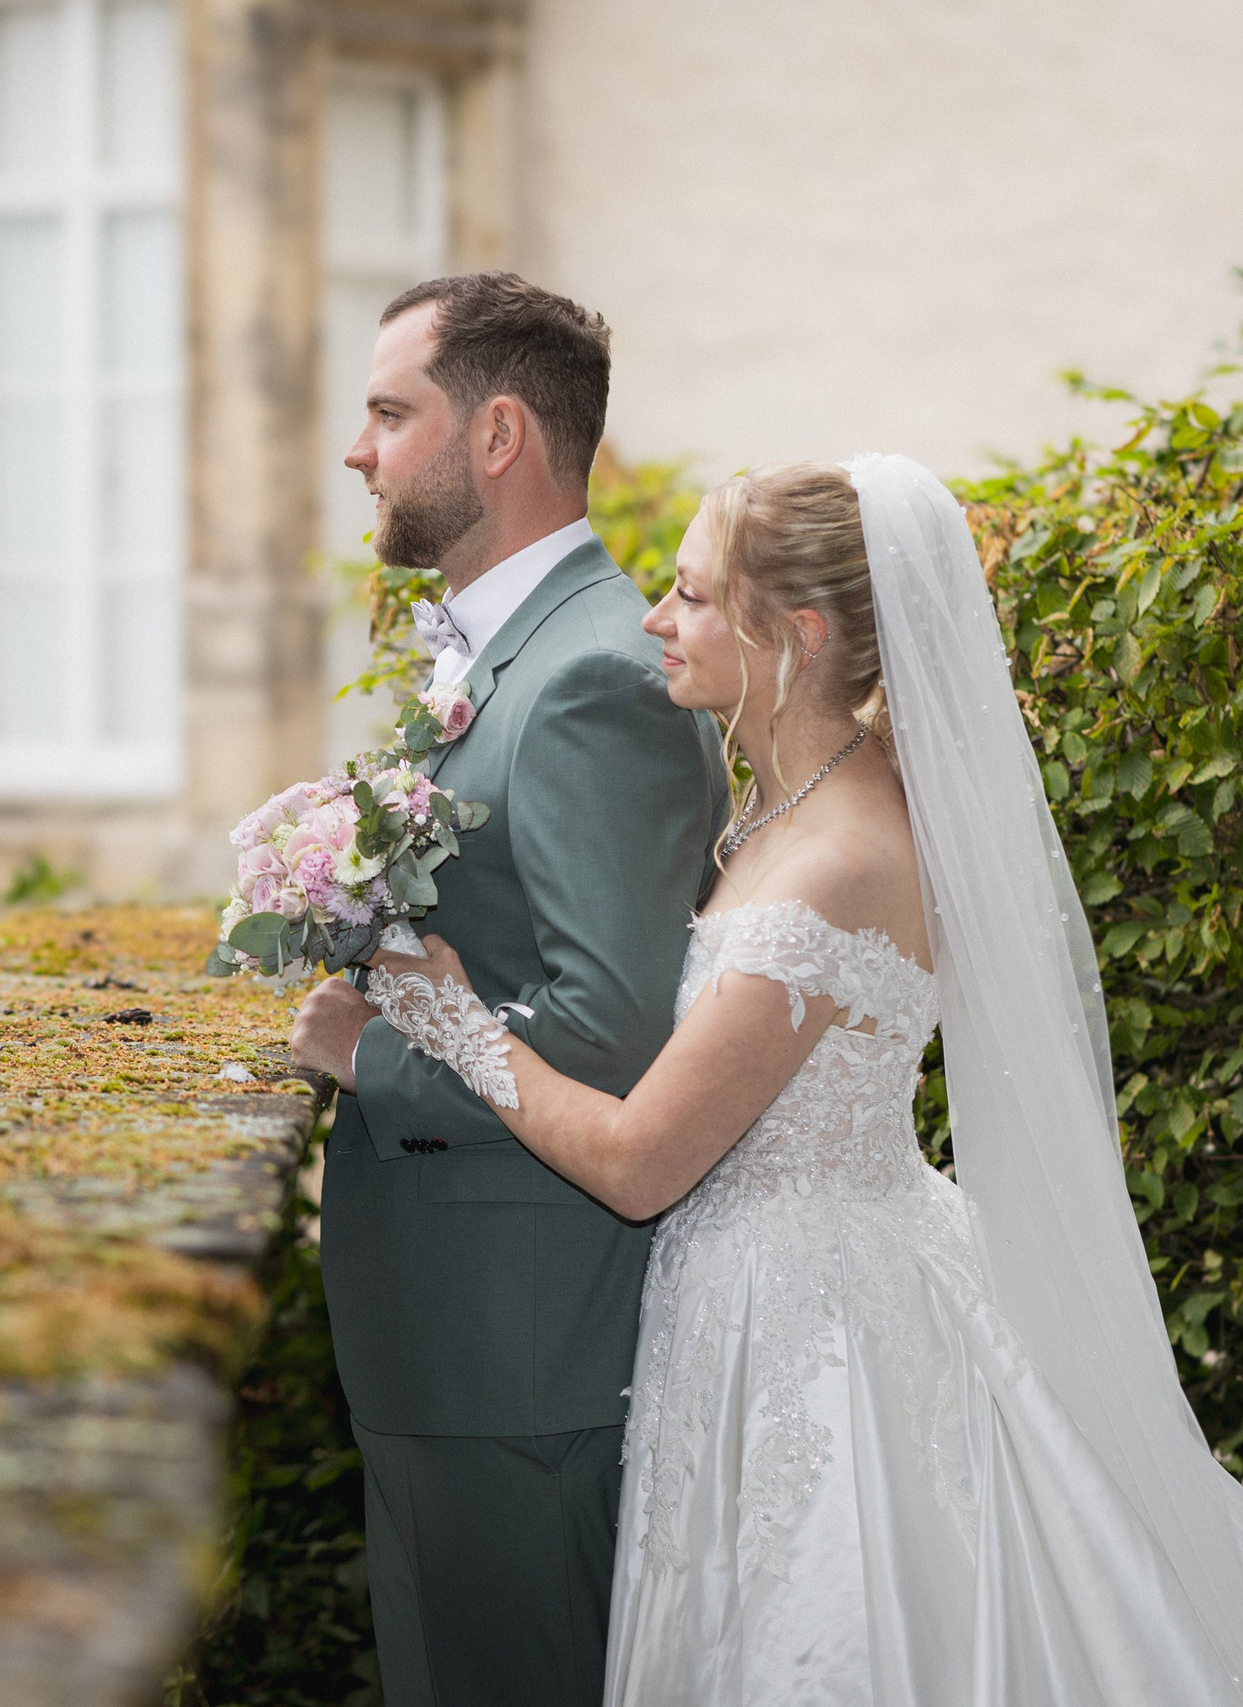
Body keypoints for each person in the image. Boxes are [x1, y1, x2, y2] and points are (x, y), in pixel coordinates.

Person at [323, 457, 1243, 1706]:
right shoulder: (794, 803)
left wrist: (447, 1022)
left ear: (791, 636)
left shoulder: (835, 862)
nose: (652, 620)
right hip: (783, 1282)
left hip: (815, 1329)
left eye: (688, 598)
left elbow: (639, 1165)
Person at [286, 273, 727, 1707]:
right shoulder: (495, 655)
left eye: (389, 412)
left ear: (500, 436)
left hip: (524, 1355)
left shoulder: (595, 677)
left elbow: (614, 1033)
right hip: (449, 1344)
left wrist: (372, 1057)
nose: (359, 451)